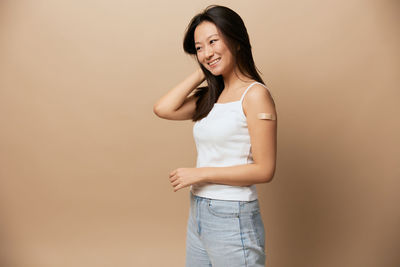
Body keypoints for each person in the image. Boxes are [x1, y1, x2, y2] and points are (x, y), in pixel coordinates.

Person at [153, 4, 277, 267]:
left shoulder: (255, 96)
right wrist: (206, 67)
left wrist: (201, 173)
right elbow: (162, 108)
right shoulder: (210, 98)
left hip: (233, 215)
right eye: (199, 48)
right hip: (199, 211)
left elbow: (265, 170)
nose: (207, 52)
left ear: (236, 41)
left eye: (213, 42)